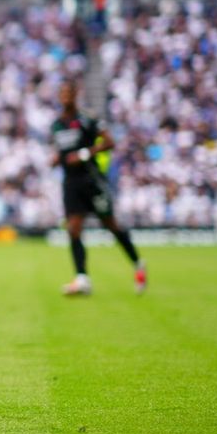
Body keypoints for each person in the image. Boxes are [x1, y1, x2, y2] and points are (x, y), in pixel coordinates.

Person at [51, 81, 145, 296]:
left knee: (111, 226)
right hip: (71, 183)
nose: (65, 97)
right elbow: (63, 151)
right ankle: (82, 278)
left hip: (91, 180)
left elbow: (109, 142)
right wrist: (57, 159)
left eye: (68, 93)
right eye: (62, 93)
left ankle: (138, 263)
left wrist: (85, 154)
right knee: (73, 228)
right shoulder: (56, 124)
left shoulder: (87, 119)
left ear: (75, 94)